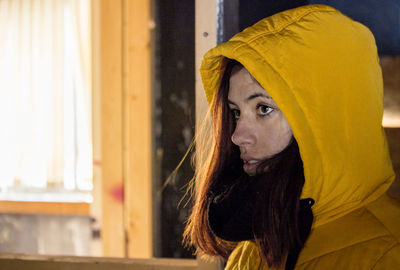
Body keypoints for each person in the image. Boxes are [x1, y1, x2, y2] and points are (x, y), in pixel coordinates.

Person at [183, 4, 400, 270]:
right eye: (236, 112)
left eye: (263, 109)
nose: (237, 136)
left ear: (323, 120)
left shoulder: (387, 254)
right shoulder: (253, 251)